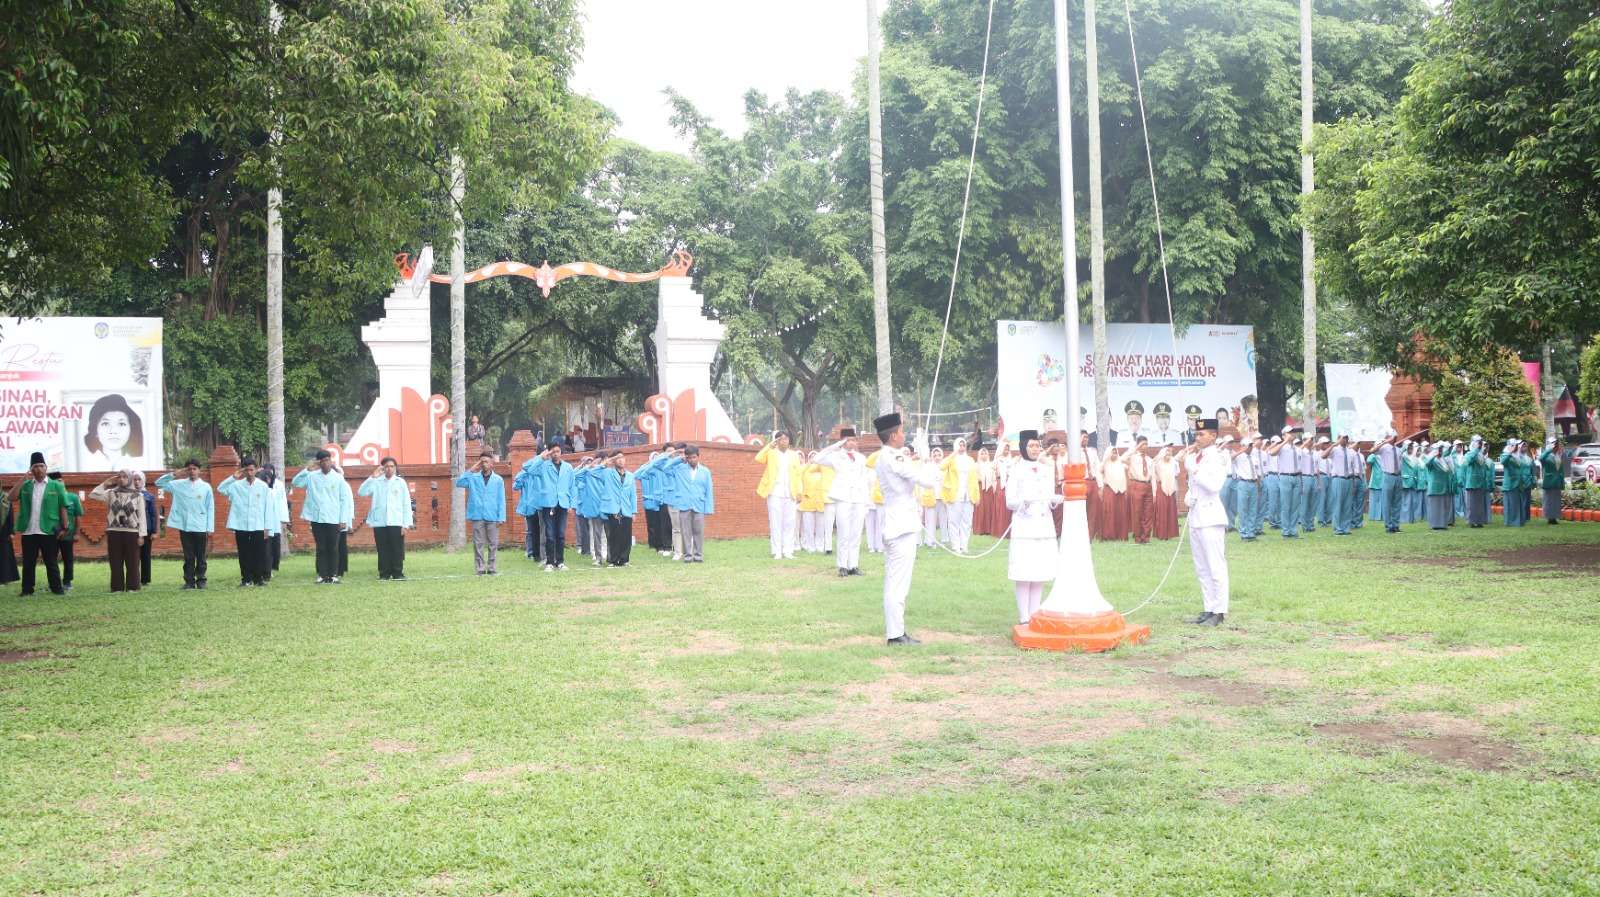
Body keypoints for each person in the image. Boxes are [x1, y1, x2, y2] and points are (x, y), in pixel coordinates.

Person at [869, 412, 941, 645]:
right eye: (901, 431)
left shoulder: (888, 456)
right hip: (901, 526)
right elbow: (927, 481)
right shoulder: (894, 457)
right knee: (898, 584)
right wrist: (928, 459)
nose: (903, 435)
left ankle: (896, 631)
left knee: (895, 582)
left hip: (897, 523)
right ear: (892, 436)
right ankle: (896, 634)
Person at [1006, 430, 1062, 624]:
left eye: (1037, 445)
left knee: (1039, 572)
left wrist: (1055, 500)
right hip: (1024, 526)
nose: (1035, 449)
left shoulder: (1046, 469)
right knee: (1024, 572)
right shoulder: (1015, 470)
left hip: (1043, 526)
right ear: (1023, 447)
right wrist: (1023, 503)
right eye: (1031, 445)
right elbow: (1009, 501)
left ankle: (1035, 613)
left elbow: (1048, 496)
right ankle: (1024, 616)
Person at [1183, 419, 1230, 626]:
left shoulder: (1218, 457)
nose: (1197, 437)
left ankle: (1219, 611)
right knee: (1202, 567)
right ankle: (1209, 607)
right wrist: (1188, 497)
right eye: (1196, 434)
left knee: (1215, 566)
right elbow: (1194, 487)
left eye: (1202, 434)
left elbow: (1214, 485)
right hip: (1196, 517)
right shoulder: (1196, 457)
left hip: (1211, 518)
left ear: (1213, 436)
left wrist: (1194, 470)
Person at [8, 452, 69, 596]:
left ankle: (57, 589)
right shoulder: (26, 486)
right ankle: (27, 590)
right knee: (28, 562)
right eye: (35, 466)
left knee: (51, 562)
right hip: (29, 530)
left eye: (41, 466)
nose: (39, 469)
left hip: (49, 530)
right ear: (31, 469)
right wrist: (23, 478)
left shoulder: (56, 485)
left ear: (46, 468)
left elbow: (63, 507)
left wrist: (65, 527)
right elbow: (11, 497)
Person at [292, 450, 351, 584]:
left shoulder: (338, 478)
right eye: (322, 461)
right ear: (318, 462)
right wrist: (307, 469)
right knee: (321, 547)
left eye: (327, 460)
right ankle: (322, 575)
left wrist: (343, 520)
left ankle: (333, 575)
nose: (325, 463)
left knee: (333, 547)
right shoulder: (312, 476)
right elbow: (296, 482)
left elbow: (344, 500)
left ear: (331, 461)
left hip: (334, 518)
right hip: (317, 518)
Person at [816, 430, 869, 576]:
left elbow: (864, 479)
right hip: (843, 497)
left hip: (858, 497)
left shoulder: (861, 458)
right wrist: (835, 446)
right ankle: (842, 566)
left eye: (853, 440)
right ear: (843, 441)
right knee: (844, 532)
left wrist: (866, 501)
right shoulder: (836, 456)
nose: (852, 443)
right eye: (848, 440)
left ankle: (853, 565)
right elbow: (817, 458)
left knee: (856, 533)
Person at [157, 459, 215, 589]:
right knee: (188, 556)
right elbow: (159, 483)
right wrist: (174, 474)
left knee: (201, 556)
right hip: (185, 526)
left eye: (194, 469)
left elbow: (210, 507)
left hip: (200, 526)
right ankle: (189, 581)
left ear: (199, 470)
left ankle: (201, 580)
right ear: (186, 471)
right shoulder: (178, 484)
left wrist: (210, 528)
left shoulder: (206, 487)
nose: (192, 471)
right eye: (189, 469)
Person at [218, 458, 274, 587]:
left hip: (258, 525)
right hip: (241, 525)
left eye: (252, 470)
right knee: (243, 553)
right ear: (243, 471)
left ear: (256, 470)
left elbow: (268, 507)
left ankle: (258, 579)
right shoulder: (236, 485)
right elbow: (220, 488)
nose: (249, 473)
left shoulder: (263, 486)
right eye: (247, 470)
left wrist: (267, 527)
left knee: (258, 553)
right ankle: (246, 579)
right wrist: (233, 477)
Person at [89, 471, 147, 592]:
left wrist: (142, 535)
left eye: (125, 477)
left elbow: (142, 517)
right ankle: (117, 588)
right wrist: (105, 484)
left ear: (129, 479)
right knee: (115, 561)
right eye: (119, 477)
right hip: (114, 531)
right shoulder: (111, 493)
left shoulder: (138, 495)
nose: (121, 479)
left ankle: (133, 587)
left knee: (133, 562)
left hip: (132, 532)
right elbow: (93, 495)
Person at [360, 456, 414, 579]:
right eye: (387, 467)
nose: (389, 469)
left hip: (396, 521)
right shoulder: (376, 481)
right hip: (380, 521)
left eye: (392, 466)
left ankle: (397, 573)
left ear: (395, 468)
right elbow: (362, 492)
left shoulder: (400, 482)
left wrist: (406, 524)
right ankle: (384, 573)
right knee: (382, 549)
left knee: (397, 548)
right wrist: (372, 477)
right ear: (382, 468)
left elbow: (406, 503)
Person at [659, 445, 713, 562]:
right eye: (689, 458)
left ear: (698, 457)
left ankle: (698, 555)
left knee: (698, 531)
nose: (692, 460)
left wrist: (708, 508)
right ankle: (688, 555)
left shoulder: (705, 471)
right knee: (686, 532)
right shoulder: (679, 468)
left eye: (694, 457)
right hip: (684, 504)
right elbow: (665, 468)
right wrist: (678, 459)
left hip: (699, 505)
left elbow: (709, 490)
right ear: (686, 458)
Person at [754, 432, 804, 560]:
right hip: (775, 492)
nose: (784, 441)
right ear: (777, 441)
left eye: (786, 439)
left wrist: (799, 492)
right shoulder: (771, 452)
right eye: (781, 439)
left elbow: (798, 474)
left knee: (790, 523)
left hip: (790, 492)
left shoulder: (793, 455)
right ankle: (777, 551)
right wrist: (769, 445)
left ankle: (788, 551)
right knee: (775, 523)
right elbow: (758, 458)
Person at [527, 443, 575, 571]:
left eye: (557, 451)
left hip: (563, 503)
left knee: (561, 534)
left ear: (561, 452)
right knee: (549, 534)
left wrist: (571, 504)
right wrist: (541, 457)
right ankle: (549, 562)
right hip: (548, 504)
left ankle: (560, 561)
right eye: (552, 451)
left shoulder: (568, 467)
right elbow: (529, 470)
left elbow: (572, 486)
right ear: (549, 453)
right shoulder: (543, 465)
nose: (555, 454)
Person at [455, 452, 506, 574]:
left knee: (493, 543)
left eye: (486, 461)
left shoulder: (498, 480)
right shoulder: (473, 478)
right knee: (478, 543)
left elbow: (501, 499)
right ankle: (480, 568)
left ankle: (492, 568)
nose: (484, 464)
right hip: (477, 515)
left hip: (492, 515)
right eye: (481, 462)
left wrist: (501, 517)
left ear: (492, 463)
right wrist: (471, 469)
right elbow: (459, 482)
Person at [82, 393, 145, 471]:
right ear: (95, 430)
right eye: (105, 424)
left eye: (121, 424)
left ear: (131, 429)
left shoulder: (140, 465)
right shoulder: (84, 464)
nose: (113, 431)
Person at [939, 437, 980, 553]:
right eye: (959, 445)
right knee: (954, 521)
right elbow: (941, 466)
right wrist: (954, 453)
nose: (962, 447)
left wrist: (977, 496)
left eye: (963, 445)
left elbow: (974, 479)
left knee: (967, 522)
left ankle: (964, 546)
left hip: (968, 495)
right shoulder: (951, 459)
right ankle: (956, 546)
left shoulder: (970, 460)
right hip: (955, 494)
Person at [48, 473, 83, 591]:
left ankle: (67, 582)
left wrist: (77, 533)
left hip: (68, 535)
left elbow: (78, 515)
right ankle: (54, 583)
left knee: (68, 558)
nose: (59, 483)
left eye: (60, 480)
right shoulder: (48, 498)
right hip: (51, 534)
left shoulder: (73, 497)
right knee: (51, 559)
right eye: (55, 481)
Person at [1324, 435, 1361, 536]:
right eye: (1343, 438)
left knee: (1347, 505)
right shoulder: (1335, 450)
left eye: (1346, 438)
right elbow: (1323, 455)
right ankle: (1337, 528)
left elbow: (1353, 468)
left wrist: (1353, 483)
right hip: (1338, 479)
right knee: (1338, 504)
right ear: (1339, 439)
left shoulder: (1351, 452)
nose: (1345, 440)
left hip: (1349, 479)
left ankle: (1346, 528)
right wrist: (1334, 445)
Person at [1268, 429, 1302, 538]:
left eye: (1293, 432)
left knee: (1295, 505)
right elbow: (1271, 452)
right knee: (1286, 505)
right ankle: (1286, 531)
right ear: (1283, 435)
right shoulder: (1282, 447)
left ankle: (1293, 530)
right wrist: (1285, 441)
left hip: (1297, 476)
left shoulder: (1298, 449)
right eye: (1289, 432)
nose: (1292, 434)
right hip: (1285, 477)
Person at [513, 453, 545, 563]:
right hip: (528, 507)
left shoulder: (540, 473)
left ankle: (540, 553)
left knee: (541, 530)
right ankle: (531, 552)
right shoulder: (525, 475)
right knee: (530, 531)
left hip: (540, 505)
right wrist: (524, 473)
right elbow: (515, 486)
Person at [1124, 435, 1155, 544]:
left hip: (1148, 485)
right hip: (1136, 484)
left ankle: (1146, 537)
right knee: (1137, 512)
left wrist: (1154, 492)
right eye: (1142, 444)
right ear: (1137, 445)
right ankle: (1138, 537)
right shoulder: (1132, 457)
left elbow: (1153, 476)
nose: (1145, 446)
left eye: (1146, 444)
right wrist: (1135, 448)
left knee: (1148, 513)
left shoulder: (1149, 459)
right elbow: (1122, 459)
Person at [798, 452, 831, 553]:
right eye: (812, 457)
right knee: (808, 526)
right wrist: (808, 464)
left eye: (815, 457)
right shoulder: (805, 469)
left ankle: (820, 546)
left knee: (820, 526)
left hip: (821, 501)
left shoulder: (823, 470)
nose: (814, 459)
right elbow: (798, 474)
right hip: (807, 501)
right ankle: (810, 546)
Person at [1230, 435, 1261, 541]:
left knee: (1253, 509)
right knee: (1243, 509)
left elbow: (1257, 473)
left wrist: (1258, 485)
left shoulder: (1254, 457)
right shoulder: (1239, 456)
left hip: (1253, 483)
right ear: (1243, 446)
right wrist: (1242, 450)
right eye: (1249, 445)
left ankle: (1251, 532)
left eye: (1251, 445)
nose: (1250, 447)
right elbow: (1231, 458)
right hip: (1243, 483)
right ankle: (1244, 533)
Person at [261, 464, 290, 573]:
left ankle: (273, 566)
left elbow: (283, 501)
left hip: (275, 518)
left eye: (271, 471)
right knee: (266, 545)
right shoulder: (260, 485)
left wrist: (284, 518)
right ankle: (266, 567)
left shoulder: (279, 484)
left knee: (275, 544)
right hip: (264, 519)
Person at [1373, 430, 1403, 533]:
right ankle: (1388, 526)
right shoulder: (1384, 448)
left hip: (1398, 476)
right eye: (1393, 437)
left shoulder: (1398, 450)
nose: (1395, 438)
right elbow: (1372, 450)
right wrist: (1385, 442)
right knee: (1387, 502)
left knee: (1397, 502)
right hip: (1388, 475)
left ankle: (1396, 525)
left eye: (1395, 437)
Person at [1423, 442, 1455, 530]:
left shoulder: (1443, 459)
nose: (1440, 451)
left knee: (1443, 507)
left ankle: (1443, 524)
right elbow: (1427, 463)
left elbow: (1448, 470)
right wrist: (1434, 454)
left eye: (1441, 449)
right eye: (1439, 449)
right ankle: (1435, 525)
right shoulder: (1433, 461)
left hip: (1444, 487)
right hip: (1435, 488)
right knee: (1435, 507)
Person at [1462, 435, 1492, 527]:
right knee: (1471, 504)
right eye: (1478, 442)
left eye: (1480, 442)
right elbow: (1468, 460)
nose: (1479, 444)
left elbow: (1485, 467)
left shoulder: (1481, 455)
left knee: (1479, 504)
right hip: (1472, 482)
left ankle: (1479, 521)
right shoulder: (1469, 453)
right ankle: (1471, 521)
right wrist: (1475, 449)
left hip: (1480, 482)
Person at [1153, 445, 1181, 540]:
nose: (1168, 454)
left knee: (1171, 510)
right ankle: (1161, 533)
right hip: (1161, 488)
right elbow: (1154, 474)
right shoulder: (1158, 463)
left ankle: (1170, 533)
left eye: (1169, 453)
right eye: (1166, 452)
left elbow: (1177, 473)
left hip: (1171, 489)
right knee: (1162, 510)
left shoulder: (1173, 463)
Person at [1538, 437, 1564, 524]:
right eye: (1554, 445)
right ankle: (1549, 517)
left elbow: (1560, 469)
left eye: (1557, 445)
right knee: (1549, 500)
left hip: (1557, 481)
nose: (1556, 447)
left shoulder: (1558, 455)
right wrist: (1549, 449)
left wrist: (1562, 481)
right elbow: (1541, 459)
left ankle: (1555, 517)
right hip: (1549, 480)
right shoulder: (1547, 456)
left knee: (1556, 500)